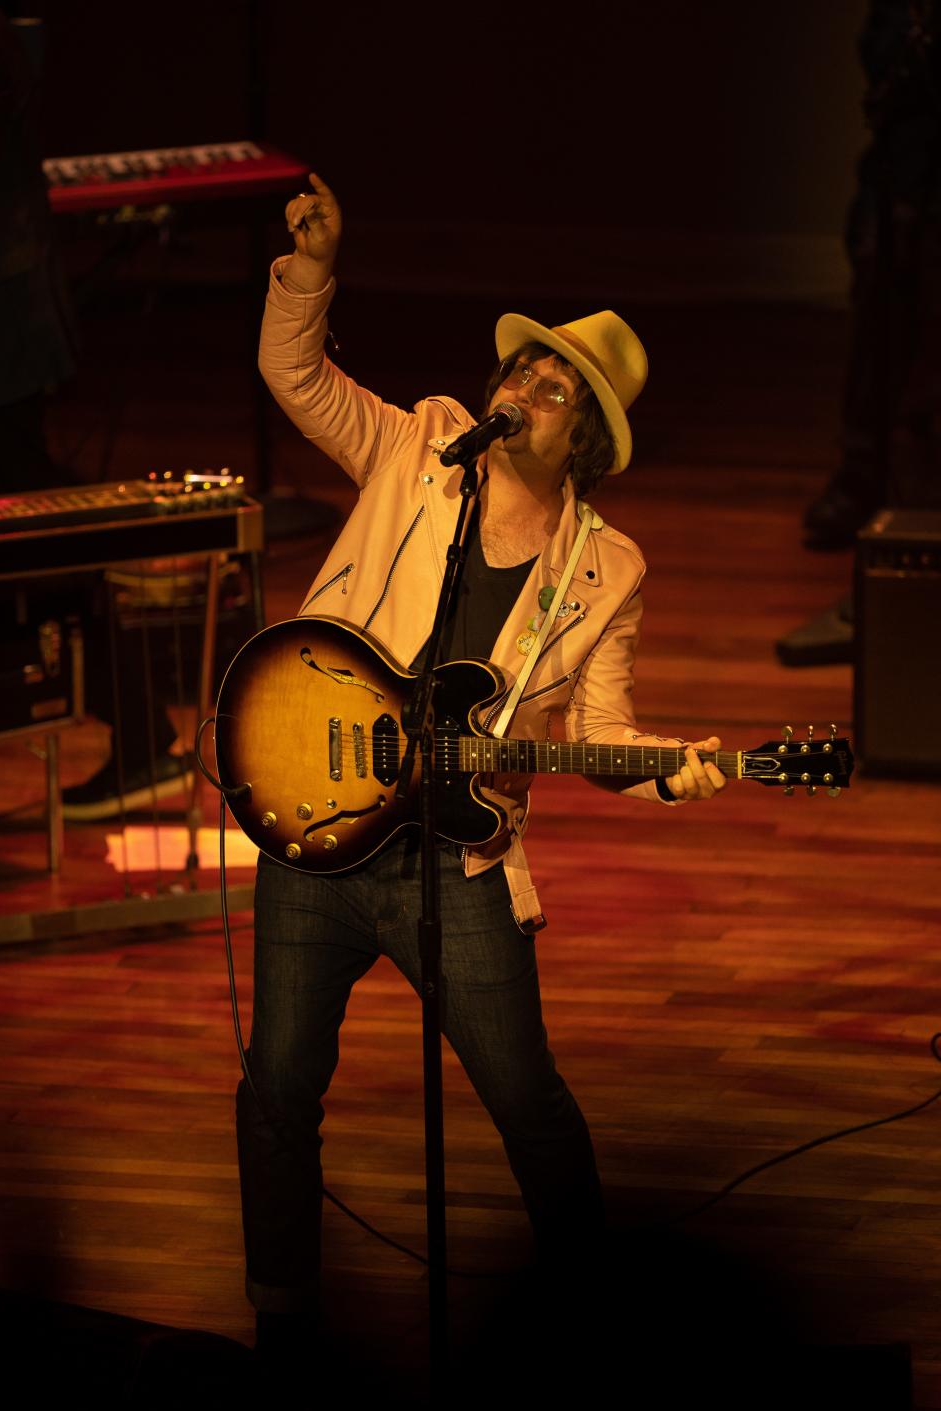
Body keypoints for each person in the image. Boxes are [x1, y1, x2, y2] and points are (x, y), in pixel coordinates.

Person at [238, 174, 727, 1353]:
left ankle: (593, 1329)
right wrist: (309, 274)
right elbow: (295, 380)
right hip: (318, 814)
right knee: (276, 1088)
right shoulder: (419, 448)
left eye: (557, 390)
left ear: (588, 445)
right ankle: (284, 1326)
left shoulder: (607, 570)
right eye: (524, 370)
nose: (526, 389)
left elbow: (600, 722)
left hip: (455, 866)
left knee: (528, 1103)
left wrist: (674, 766)